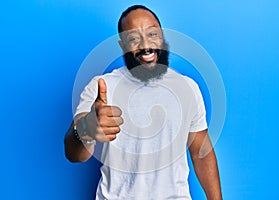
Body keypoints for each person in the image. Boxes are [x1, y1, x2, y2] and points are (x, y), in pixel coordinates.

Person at [64, 5, 222, 200]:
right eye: (133, 38)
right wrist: (87, 126)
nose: (146, 45)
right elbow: (73, 154)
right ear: (122, 45)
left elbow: (200, 152)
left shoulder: (188, 87)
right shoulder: (101, 86)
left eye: (152, 34)